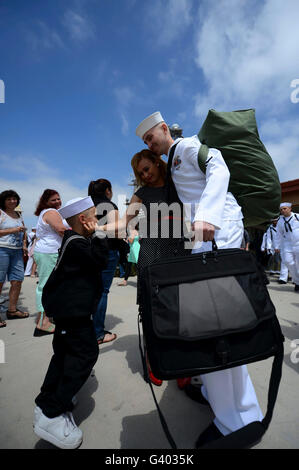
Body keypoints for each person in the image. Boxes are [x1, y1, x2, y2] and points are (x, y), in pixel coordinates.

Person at [136, 111, 263, 447]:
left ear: (165, 129)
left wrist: (207, 216)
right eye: (146, 142)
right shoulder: (175, 159)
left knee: (216, 326)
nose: (151, 145)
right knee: (215, 324)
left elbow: (218, 166)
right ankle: (225, 400)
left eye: (152, 137)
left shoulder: (189, 147)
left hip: (214, 235)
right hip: (203, 241)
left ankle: (234, 423)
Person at [99, 150, 190, 386]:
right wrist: (97, 228)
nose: (145, 175)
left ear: (159, 164)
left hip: (180, 251)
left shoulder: (178, 183)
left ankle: (183, 361)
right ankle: (154, 357)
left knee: (182, 308)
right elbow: (122, 223)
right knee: (153, 308)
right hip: (151, 252)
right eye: (140, 173)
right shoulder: (140, 194)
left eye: (147, 169)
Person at [33, 196, 109, 449]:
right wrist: (99, 235)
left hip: (70, 313)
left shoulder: (75, 241)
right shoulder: (77, 244)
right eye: (95, 217)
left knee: (65, 355)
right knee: (84, 354)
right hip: (72, 314)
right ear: (84, 220)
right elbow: (100, 261)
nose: (98, 221)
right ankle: (50, 412)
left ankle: (50, 398)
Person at [33, 190, 69, 336]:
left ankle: (48, 317)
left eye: (59, 199)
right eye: (53, 200)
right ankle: (43, 322)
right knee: (45, 286)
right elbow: (61, 229)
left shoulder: (53, 212)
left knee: (52, 285)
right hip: (48, 253)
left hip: (51, 252)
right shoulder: (51, 212)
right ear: (46, 201)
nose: (57, 202)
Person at [88, 179, 119, 345]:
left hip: (87, 250)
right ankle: (98, 332)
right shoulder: (110, 205)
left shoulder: (87, 205)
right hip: (106, 251)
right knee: (102, 291)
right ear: (108, 190)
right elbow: (116, 229)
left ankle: (86, 328)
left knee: (90, 289)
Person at [0, 189, 29, 325]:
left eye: (14, 199)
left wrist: (24, 244)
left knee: (17, 280)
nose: (12, 201)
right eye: (9, 199)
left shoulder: (18, 214)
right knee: (0, 281)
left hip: (17, 251)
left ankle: (12, 310)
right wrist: (13, 230)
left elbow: (22, 230)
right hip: (2, 249)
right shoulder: (1, 213)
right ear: (3, 201)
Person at [276, 202, 299, 291]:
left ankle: (297, 283)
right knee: (287, 261)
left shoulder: (297, 216)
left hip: (298, 243)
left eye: (284, 209)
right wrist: (277, 245)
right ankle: (297, 281)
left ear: (290, 208)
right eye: (281, 210)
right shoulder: (280, 221)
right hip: (287, 244)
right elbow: (278, 234)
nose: (283, 211)